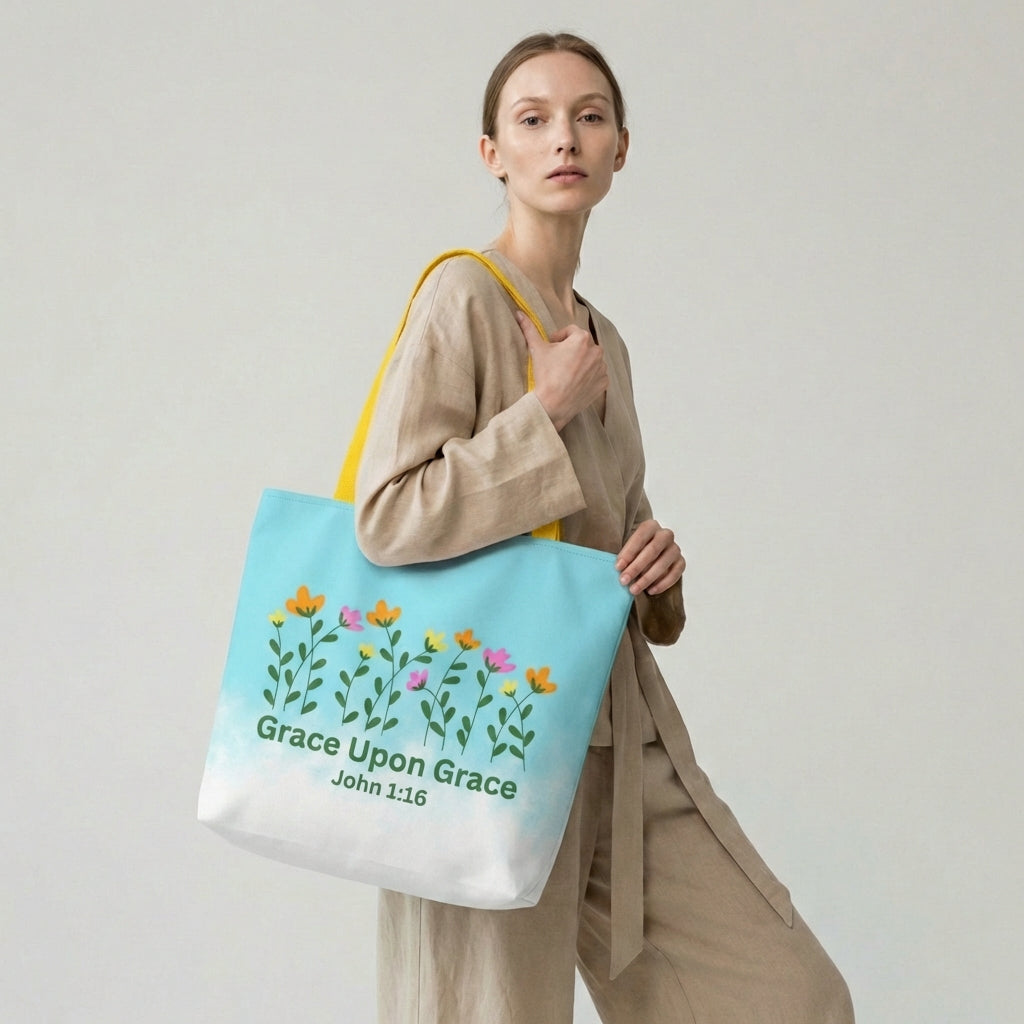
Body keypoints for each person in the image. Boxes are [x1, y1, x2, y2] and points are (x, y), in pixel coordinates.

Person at [354, 31, 855, 1024]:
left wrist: (658, 572)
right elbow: (386, 517)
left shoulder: (602, 340)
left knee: (791, 995)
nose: (562, 139)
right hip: (483, 742)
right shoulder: (458, 297)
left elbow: (611, 534)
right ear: (491, 152)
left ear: (621, 147)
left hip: (616, 740)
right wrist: (537, 414)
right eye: (531, 120)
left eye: (587, 116)